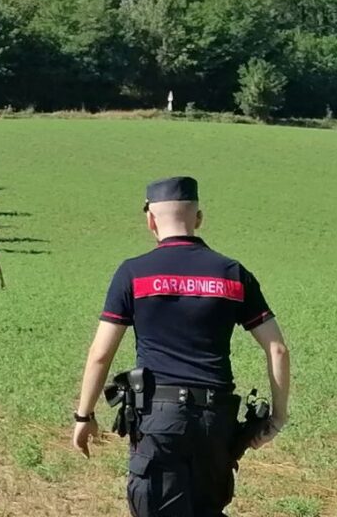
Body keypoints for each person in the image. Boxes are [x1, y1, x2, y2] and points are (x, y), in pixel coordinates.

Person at [70, 177, 291, 517]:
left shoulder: (133, 273)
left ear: (150, 220)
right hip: (215, 421)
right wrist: (276, 417)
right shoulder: (232, 273)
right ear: (198, 218)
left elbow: (101, 353)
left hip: (159, 419)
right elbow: (277, 348)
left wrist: (84, 415)